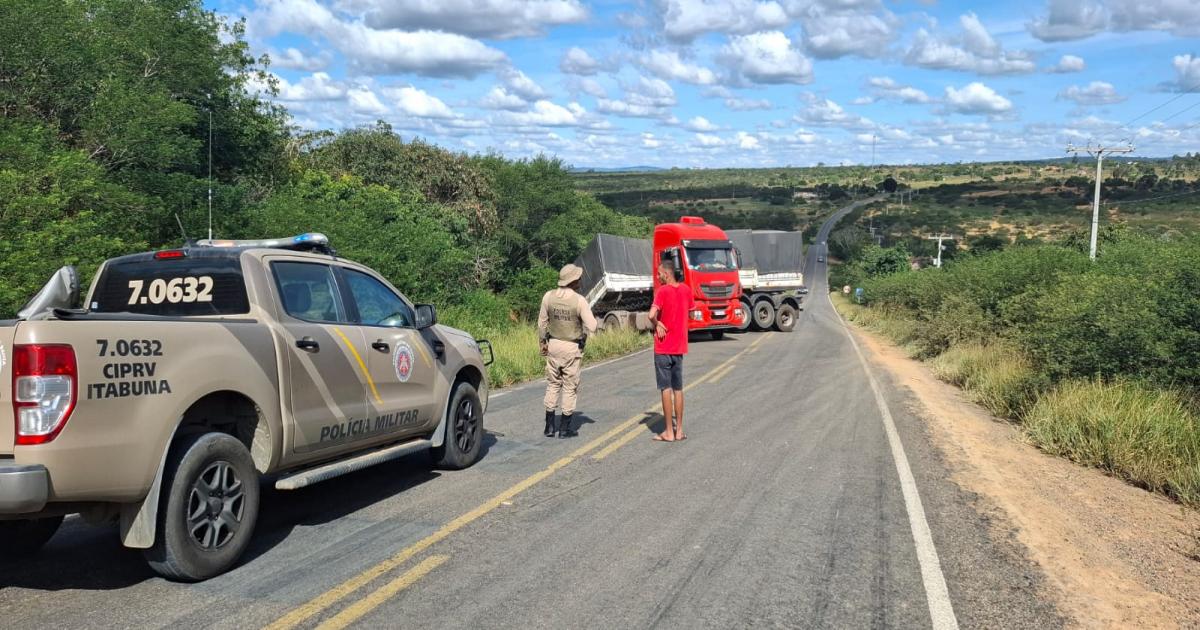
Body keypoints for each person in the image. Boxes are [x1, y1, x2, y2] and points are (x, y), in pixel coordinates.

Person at [537, 263, 597, 438]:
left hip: (553, 344)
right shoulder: (579, 300)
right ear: (574, 281)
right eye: (578, 278)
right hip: (571, 347)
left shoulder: (548, 296)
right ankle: (564, 429)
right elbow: (592, 325)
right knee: (570, 387)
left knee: (553, 384)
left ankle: (549, 427)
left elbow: (541, 324)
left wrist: (543, 343)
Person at [648, 260, 694, 442]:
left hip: (663, 346)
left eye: (659, 274)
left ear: (666, 274)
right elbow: (691, 313)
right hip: (679, 347)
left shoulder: (662, 291)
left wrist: (658, 323)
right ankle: (679, 430)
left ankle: (668, 431)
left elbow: (651, 315)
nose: (658, 277)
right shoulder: (686, 290)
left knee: (665, 388)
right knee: (678, 388)